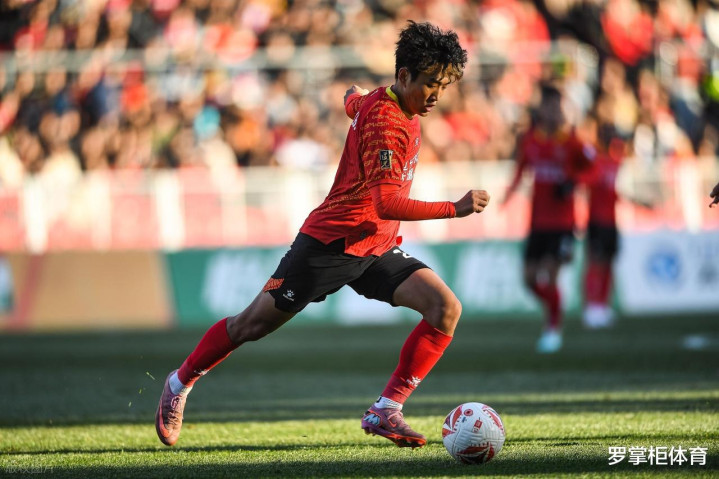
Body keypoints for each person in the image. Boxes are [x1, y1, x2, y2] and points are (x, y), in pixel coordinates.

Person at [155, 21, 490, 449]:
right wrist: (455, 208)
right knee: (249, 325)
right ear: (404, 76)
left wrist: (351, 98)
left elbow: (355, 103)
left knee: (444, 308)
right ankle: (180, 382)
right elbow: (388, 203)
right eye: (430, 84)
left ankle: (387, 408)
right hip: (330, 245)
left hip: (375, 246)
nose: (436, 95)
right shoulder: (387, 122)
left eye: (443, 86)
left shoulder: (386, 102)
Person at [502, 84, 594, 354]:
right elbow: (521, 170)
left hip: (563, 224)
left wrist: (574, 181)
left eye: (557, 106)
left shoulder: (573, 141)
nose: (553, 111)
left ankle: (553, 329)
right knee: (529, 279)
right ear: (541, 109)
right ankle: (554, 307)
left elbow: (593, 170)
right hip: (537, 223)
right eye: (549, 106)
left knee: (551, 275)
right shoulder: (531, 140)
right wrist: (507, 195)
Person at [580, 116, 624, 329]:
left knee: (608, 263)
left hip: (611, 220)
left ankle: (603, 306)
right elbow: (585, 180)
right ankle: (591, 306)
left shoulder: (615, 160)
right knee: (594, 262)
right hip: (596, 219)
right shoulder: (594, 160)